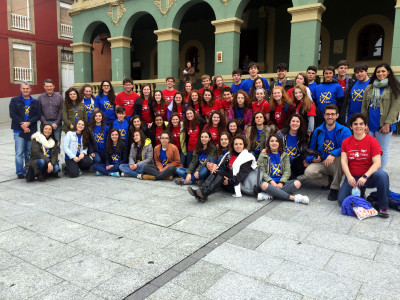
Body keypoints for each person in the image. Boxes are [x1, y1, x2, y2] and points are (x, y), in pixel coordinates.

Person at [338, 113, 390, 218]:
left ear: (366, 126)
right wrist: (349, 177)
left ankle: (383, 206)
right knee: (341, 201)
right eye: (355, 124)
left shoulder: (372, 141)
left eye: (361, 124)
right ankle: (361, 193)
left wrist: (365, 176)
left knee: (382, 175)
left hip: (369, 177)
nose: (358, 126)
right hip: (353, 177)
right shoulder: (346, 142)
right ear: (351, 126)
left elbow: (377, 163)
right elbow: (344, 161)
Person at [187, 135, 257, 202]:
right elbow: (221, 166)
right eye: (236, 144)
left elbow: (241, 176)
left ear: (244, 145)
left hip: (237, 184)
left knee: (221, 174)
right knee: (216, 171)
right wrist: (215, 167)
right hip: (226, 180)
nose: (238, 146)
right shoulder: (230, 154)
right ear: (233, 145)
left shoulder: (247, 158)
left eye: (240, 144)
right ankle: (202, 191)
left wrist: (229, 181)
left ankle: (203, 193)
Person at [304, 104, 352, 200]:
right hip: (323, 161)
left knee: (340, 157)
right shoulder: (317, 131)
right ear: (324, 116)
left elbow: (347, 147)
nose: (330, 116)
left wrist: (333, 153)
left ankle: (335, 188)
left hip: (337, 163)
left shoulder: (345, 130)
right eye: (328, 114)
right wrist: (311, 159)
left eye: (332, 114)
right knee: (308, 172)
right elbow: (312, 149)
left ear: (337, 115)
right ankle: (328, 182)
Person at [361, 62, 400, 171]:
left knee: (382, 149)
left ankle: (379, 173)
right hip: (370, 122)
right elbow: (364, 107)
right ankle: (370, 171)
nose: (380, 73)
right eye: (378, 71)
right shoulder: (369, 87)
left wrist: (388, 124)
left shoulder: (394, 88)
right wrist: (364, 124)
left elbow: (395, 108)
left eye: (383, 71)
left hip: (384, 124)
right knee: (369, 149)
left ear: (388, 72)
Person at [257, 134, 309, 203]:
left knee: (297, 183)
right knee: (264, 185)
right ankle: (293, 198)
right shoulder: (263, 155)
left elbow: (287, 171)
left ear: (279, 143)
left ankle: (270, 194)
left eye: (276, 141)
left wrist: (281, 182)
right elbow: (262, 171)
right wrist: (271, 181)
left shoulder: (284, 155)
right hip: (268, 182)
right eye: (272, 141)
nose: (274, 143)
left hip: (281, 182)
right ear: (268, 143)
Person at [9, 82, 41, 178]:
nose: (25, 90)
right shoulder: (14, 100)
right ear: (20, 89)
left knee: (28, 152)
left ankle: (28, 169)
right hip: (19, 130)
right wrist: (22, 124)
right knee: (19, 152)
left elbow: (38, 115)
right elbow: (12, 114)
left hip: (31, 130)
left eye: (27, 88)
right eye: (24, 88)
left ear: (30, 89)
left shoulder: (35, 102)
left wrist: (29, 123)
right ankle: (19, 172)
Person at [38, 79, 63, 151]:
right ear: (44, 87)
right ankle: (46, 160)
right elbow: (39, 112)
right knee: (44, 142)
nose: (49, 88)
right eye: (47, 86)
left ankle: (56, 160)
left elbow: (61, 111)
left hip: (56, 124)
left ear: (54, 86)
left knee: (56, 143)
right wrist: (45, 123)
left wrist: (57, 122)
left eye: (50, 86)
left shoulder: (59, 97)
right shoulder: (40, 98)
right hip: (44, 123)